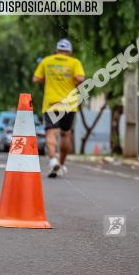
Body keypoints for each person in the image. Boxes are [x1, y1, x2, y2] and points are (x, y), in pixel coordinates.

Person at [33, 38, 85, 178]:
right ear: (70, 52)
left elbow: (36, 79)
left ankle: (53, 160)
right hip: (69, 104)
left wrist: (48, 79)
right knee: (65, 134)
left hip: (51, 103)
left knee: (51, 132)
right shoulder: (75, 62)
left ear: (56, 50)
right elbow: (80, 78)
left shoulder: (46, 61)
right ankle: (61, 165)